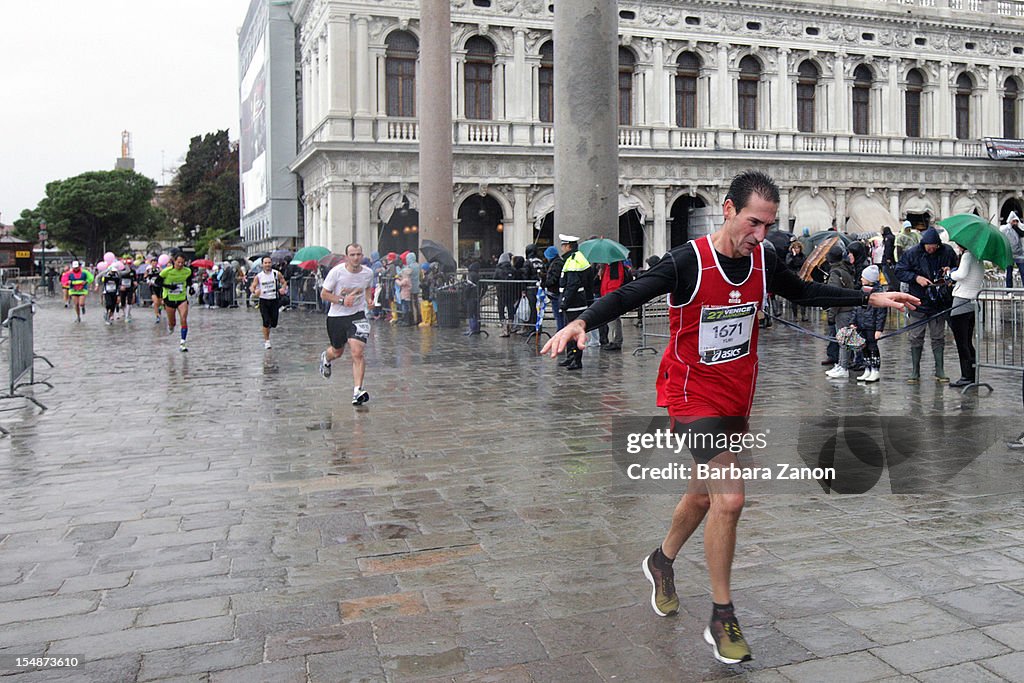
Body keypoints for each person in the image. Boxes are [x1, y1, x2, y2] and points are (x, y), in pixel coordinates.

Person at [542, 171, 917, 664]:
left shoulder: (764, 259)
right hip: (691, 394)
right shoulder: (688, 261)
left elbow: (802, 293)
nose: (760, 234)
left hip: (737, 396)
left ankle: (661, 560)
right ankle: (722, 616)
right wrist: (580, 321)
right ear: (727, 210)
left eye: (768, 225)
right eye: (752, 222)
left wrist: (868, 297)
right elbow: (630, 294)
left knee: (703, 496)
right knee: (731, 498)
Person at [894, 227, 958, 383]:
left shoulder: (947, 251)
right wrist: (916, 278)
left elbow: (957, 268)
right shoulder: (912, 253)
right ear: (924, 244)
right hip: (918, 301)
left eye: (934, 246)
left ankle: (940, 370)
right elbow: (899, 271)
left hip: (939, 302)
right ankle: (915, 371)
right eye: (929, 246)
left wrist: (950, 272)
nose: (932, 249)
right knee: (916, 337)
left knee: (938, 337)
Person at [318, 243, 373, 406]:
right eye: (352, 255)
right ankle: (326, 358)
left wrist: (369, 300)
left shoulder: (368, 273)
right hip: (337, 317)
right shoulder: (337, 272)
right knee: (337, 351)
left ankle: (358, 391)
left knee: (357, 352)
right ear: (346, 257)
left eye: (359, 254)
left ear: (362, 256)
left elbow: (367, 288)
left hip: (357, 315)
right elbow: (324, 294)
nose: (356, 258)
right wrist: (342, 300)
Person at [947, 241, 984, 388]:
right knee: (968, 341)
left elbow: (961, 274)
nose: (958, 247)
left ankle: (966, 376)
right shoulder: (978, 257)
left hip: (962, 301)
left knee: (961, 342)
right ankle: (971, 375)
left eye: (958, 244)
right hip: (973, 301)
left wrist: (950, 273)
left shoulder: (967, 255)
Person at [556, 234, 594, 370]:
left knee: (573, 332)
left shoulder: (574, 260)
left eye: (563, 245)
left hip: (574, 303)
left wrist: (565, 301)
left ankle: (576, 360)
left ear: (568, 246)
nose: (562, 248)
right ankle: (571, 357)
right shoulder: (575, 258)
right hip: (576, 301)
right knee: (569, 331)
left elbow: (572, 285)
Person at [825, 246, 860, 380]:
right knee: (844, 339)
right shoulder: (845, 269)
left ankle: (843, 367)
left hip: (842, 310)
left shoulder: (836, 273)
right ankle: (841, 364)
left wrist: (831, 315)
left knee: (843, 340)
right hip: (847, 308)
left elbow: (834, 296)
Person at [853, 265, 886, 382]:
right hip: (861, 324)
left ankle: (875, 370)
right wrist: (853, 322)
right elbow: (856, 308)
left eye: (863, 277)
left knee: (873, 348)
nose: (861, 279)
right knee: (864, 348)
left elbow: (881, 313)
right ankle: (867, 369)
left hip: (871, 326)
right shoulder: (861, 291)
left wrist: (879, 329)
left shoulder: (878, 293)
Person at [157, 253, 193, 352]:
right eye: (178, 262)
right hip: (169, 299)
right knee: (172, 322)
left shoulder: (187, 271)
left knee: (183, 319)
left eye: (182, 263)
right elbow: (157, 282)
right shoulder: (167, 271)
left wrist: (191, 288)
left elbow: (189, 281)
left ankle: (182, 343)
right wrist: (169, 286)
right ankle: (170, 326)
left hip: (182, 298)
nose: (180, 264)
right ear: (174, 262)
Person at [250, 256, 288, 349]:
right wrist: (255, 291)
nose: (267, 265)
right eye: (265, 263)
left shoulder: (276, 273)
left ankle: (268, 327)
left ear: (271, 263)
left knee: (274, 323)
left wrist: (283, 288)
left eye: (269, 263)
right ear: (262, 264)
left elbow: (284, 282)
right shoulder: (259, 276)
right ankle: (267, 341)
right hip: (264, 300)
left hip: (274, 300)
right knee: (266, 321)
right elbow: (252, 287)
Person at [784, 241, 808, 321]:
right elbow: (788, 263)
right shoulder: (789, 255)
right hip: (793, 277)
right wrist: (794, 256)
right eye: (795, 248)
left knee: (803, 296)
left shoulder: (803, 256)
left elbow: (803, 264)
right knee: (794, 297)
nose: (797, 249)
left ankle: (803, 315)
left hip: (801, 276)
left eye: (798, 248)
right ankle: (795, 316)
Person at [1000, 211, 1024, 288]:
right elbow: (1001, 231)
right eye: (1013, 221)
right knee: (1009, 273)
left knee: (1023, 271)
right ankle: (1009, 290)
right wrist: (1010, 225)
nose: (1015, 223)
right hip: (1009, 254)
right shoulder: (1006, 228)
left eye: (1016, 221)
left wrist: (1016, 227)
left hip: (1020, 254)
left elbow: (1022, 233)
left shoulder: (1020, 227)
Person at [118, 257, 137, 321]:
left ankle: (127, 314)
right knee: (122, 302)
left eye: (130, 264)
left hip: (130, 288)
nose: (128, 265)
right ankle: (124, 312)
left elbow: (135, 279)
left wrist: (135, 282)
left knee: (129, 300)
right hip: (122, 288)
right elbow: (118, 280)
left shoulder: (133, 271)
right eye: (127, 264)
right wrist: (120, 286)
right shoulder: (121, 271)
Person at [145, 259, 164, 323]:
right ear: (151, 263)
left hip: (159, 287)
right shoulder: (148, 270)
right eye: (153, 263)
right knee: (155, 302)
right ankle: (157, 316)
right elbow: (145, 277)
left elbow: (163, 276)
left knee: (160, 302)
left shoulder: (159, 269)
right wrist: (148, 281)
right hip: (153, 288)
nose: (154, 264)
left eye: (155, 263)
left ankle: (159, 308)